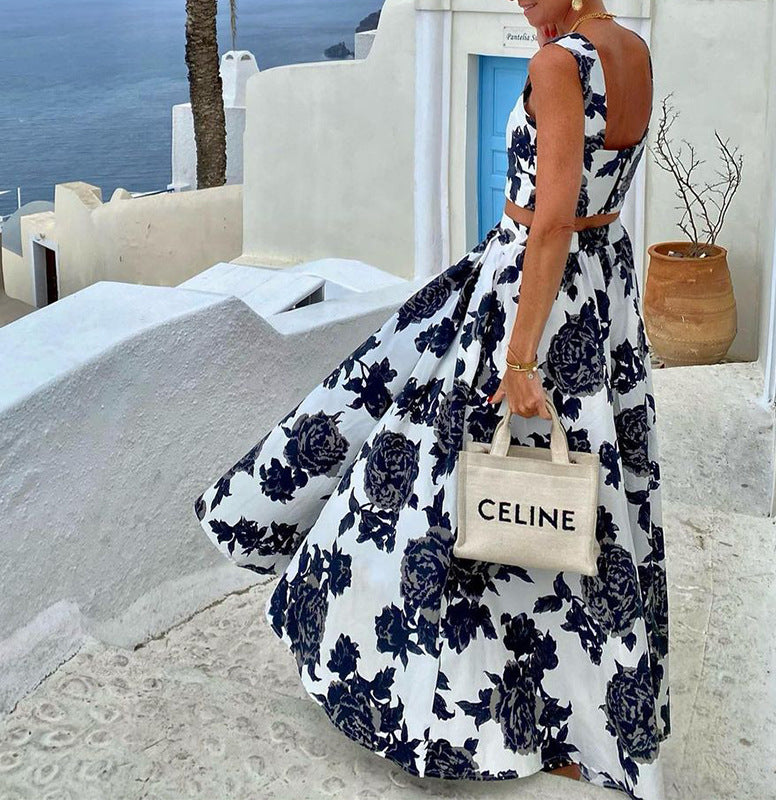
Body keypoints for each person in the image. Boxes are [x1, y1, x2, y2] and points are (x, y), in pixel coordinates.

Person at [193, 1, 671, 797]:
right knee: (583, 510)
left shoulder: (558, 64)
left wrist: (520, 357)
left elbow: (552, 219)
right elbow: (593, 199)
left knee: (443, 494)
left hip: (532, 301)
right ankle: (580, 723)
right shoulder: (633, 50)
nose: (520, 2)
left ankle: (429, 699)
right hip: (601, 299)